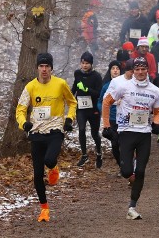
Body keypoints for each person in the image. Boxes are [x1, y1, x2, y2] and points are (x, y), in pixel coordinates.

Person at [16, 53, 77, 222]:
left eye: (47, 66)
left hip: (55, 131)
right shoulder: (30, 87)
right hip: (36, 133)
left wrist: (69, 119)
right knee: (37, 175)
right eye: (41, 66)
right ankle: (44, 209)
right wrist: (24, 124)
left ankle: (54, 167)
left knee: (50, 159)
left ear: (51, 68)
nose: (44, 69)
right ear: (37, 68)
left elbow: (72, 102)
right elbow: (20, 109)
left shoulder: (60, 84)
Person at [101, 57, 159, 220]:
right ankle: (130, 181)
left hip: (144, 134)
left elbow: (158, 112)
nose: (140, 72)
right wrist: (106, 125)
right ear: (133, 71)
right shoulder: (123, 86)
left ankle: (132, 207)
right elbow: (106, 103)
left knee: (140, 170)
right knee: (127, 171)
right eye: (137, 69)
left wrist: (156, 123)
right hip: (126, 132)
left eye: (143, 69)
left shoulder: (155, 90)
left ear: (147, 70)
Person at [72, 51, 104, 168]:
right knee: (81, 129)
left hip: (93, 109)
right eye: (83, 63)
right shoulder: (77, 74)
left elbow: (99, 93)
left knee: (94, 133)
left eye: (87, 63)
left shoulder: (96, 76)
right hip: (81, 107)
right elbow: (74, 88)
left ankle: (99, 153)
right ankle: (84, 154)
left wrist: (86, 89)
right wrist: (69, 98)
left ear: (91, 64)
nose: (84, 65)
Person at [98, 60, 124, 170]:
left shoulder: (126, 84)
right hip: (112, 118)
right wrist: (103, 111)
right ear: (110, 71)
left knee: (124, 144)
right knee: (115, 144)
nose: (115, 70)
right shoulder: (106, 87)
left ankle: (129, 163)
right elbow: (99, 102)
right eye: (113, 68)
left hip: (124, 118)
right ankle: (121, 165)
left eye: (117, 68)